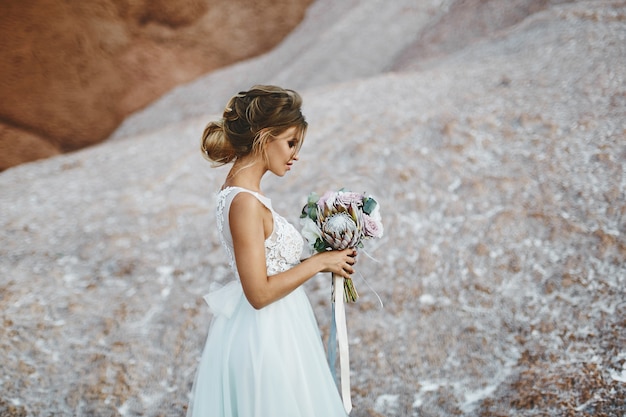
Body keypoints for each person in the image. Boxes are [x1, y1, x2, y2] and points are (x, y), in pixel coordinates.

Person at [186, 85, 355, 417]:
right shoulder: (245, 202)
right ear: (265, 137)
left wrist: (327, 261)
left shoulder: (244, 194)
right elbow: (259, 293)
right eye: (291, 143)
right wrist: (320, 262)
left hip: (281, 328)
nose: (295, 155)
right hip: (266, 338)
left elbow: (268, 268)